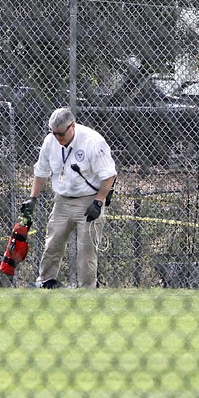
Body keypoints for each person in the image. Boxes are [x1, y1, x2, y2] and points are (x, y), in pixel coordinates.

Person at [21, 107, 117, 288]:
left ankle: (87, 288)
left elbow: (109, 175)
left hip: (89, 200)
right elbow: (41, 172)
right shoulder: (50, 142)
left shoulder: (93, 142)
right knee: (53, 242)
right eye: (54, 133)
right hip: (62, 200)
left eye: (61, 134)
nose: (57, 138)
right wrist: (33, 198)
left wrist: (99, 201)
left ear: (72, 126)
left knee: (86, 249)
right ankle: (46, 281)